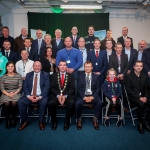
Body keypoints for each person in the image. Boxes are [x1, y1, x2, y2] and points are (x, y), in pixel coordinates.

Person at [18, 61, 50, 130]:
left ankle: (41, 121)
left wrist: (40, 97)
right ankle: (25, 121)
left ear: (41, 67)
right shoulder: (28, 75)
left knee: (44, 103)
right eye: (35, 65)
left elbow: (46, 87)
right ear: (33, 67)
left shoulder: (45, 75)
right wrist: (29, 96)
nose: (37, 67)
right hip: (30, 95)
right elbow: (25, 87)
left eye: (39, 66)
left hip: (41, 96)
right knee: (20, 102)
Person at [48, 60, 75, 131]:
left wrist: (65, 96)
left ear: (66, 67)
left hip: (67, 95)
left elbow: (72, 89)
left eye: (64, 65)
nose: (62, 67)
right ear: (58, 66)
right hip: (56, 95)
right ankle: (54, 121)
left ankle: (66, 121)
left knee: (71, 102)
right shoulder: (53, 76)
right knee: (51, 103)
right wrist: (58, 95)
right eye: (61, 65)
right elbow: (52, 88)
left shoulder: (71, 76)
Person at [75, 61, 102, 130]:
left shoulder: (96, 76)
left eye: (89, 67)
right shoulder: (80, 76)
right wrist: (84, 97)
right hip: (83, 95)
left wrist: (93, 97)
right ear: (84, 68)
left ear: (92, 68)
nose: (87, 68)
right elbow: (79, 89)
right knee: (77, 103)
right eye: (86, 67)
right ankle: (79, 119)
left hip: (93, 95)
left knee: (99, 103)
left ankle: (95, 119)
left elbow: (98, 88)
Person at [125, 61, 150, 134]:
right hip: (133, 98)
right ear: (134, 67)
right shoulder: (129, 77)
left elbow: (147, 89)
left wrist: (145, 97)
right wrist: (139, 98)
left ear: (142, 68)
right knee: (141, 104)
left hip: (143, 97)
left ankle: (147, 122)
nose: (139, 67)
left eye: (141, 66)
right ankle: (141, 123)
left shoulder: (144, 76)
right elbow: (129, 91)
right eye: (137, 66)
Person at [0, 61, 22, 128]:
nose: (10, 68)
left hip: (16, 92)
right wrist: (8, 94)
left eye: (12, 66)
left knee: (14, 102)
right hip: (5, 93)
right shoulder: (3, 77)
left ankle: (13, 118)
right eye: (9, 66)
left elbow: (20, 87)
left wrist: (14, 93)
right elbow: (2, 88)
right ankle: (7, 119)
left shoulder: (18, 76)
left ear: (14, 67)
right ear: (6, 67)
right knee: (6, 103)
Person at [109, 43, 128, 109]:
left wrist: (122, 74)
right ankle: (114, 105)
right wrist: (117, 75)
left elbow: (126, 66)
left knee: (123, 92)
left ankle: (123, 106)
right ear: (115, 48)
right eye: (118, 47)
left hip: (123, 76)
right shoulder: (111, 56)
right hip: (114, 76)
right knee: (114, 91)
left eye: (120, 48)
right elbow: (111, 66)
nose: (119, 49)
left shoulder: (125, 56)